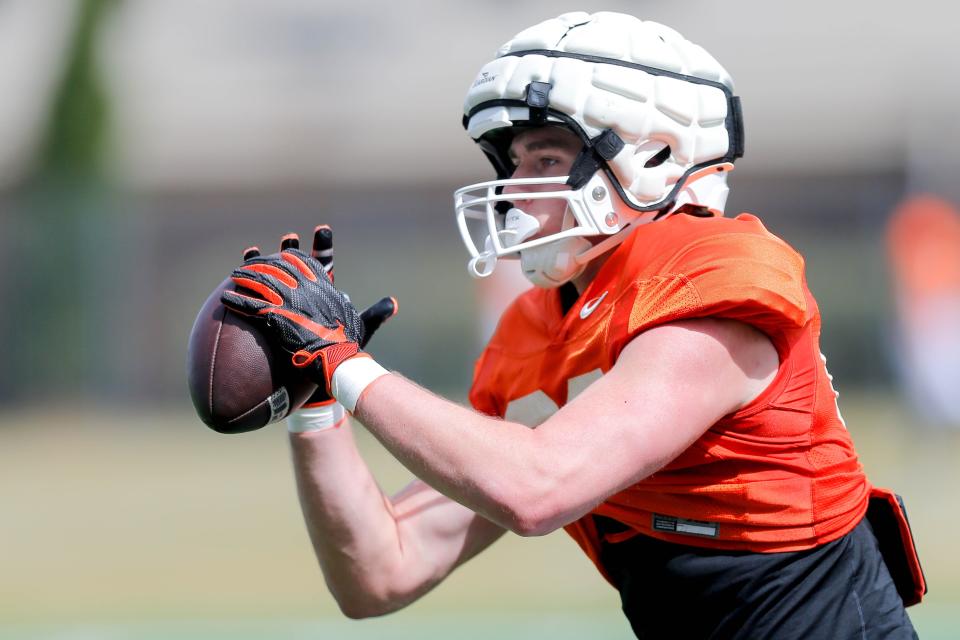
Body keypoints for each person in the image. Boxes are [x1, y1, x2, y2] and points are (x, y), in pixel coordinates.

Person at [219, 12, 924, 638]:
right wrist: (317, 406)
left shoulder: (711, 283)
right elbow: (381, 571)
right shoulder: (539, 331)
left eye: (548, 158)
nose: (516, 188)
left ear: (652, 158)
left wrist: (349, 368)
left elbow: (537, 489)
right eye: (516, 160)